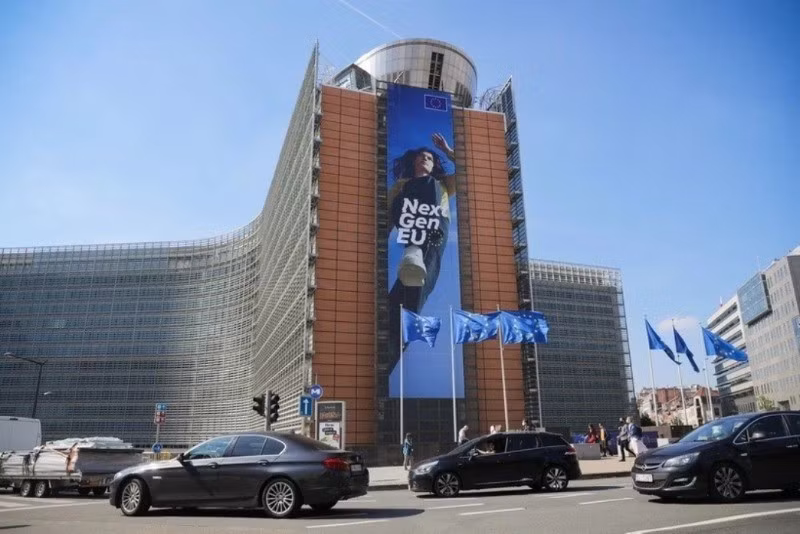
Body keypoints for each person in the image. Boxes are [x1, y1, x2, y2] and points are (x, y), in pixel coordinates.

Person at [386, 135, 456, 375]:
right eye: (421, 157)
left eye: (429, 158)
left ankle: (416, 254)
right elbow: (387, 215)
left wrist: (447, 150)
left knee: (429, 185)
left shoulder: (443, 185)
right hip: (411, 229)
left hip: (434, 235)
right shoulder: (402, 186)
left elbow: (468, 169)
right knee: (394, 308)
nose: (425, 159)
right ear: (414, 161)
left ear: (434, 164)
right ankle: (390, 349)